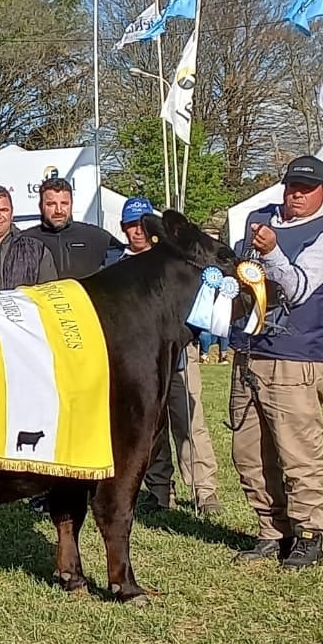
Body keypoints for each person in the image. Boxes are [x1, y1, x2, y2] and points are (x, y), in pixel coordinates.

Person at [229, 155, 323, 571]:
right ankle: (271, 530)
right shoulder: (256, 221)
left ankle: (310, 534)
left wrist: (274, 251)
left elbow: (298, 287)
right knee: (249, 453)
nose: (296, 194)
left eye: (307, 188)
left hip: (294, 358)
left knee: (298, 452)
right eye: (291, 186)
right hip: (248, 352)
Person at [113, 198, 221, 517]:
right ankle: (159, 491)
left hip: (179, 352)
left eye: (144, 224)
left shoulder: (177, 262)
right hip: (140, 360)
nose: (138, 231)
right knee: (151, 427)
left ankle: (205, 491)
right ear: (123, 229)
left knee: (189, 421)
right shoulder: (117, 265)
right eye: (132, 225)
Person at [22, 177, 120, 279]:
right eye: (51, 204)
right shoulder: (24, 240)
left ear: (71, 204)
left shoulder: (95, 236)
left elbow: (127, 256)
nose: (59, 210)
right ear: (40, 206)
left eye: (64, 203)